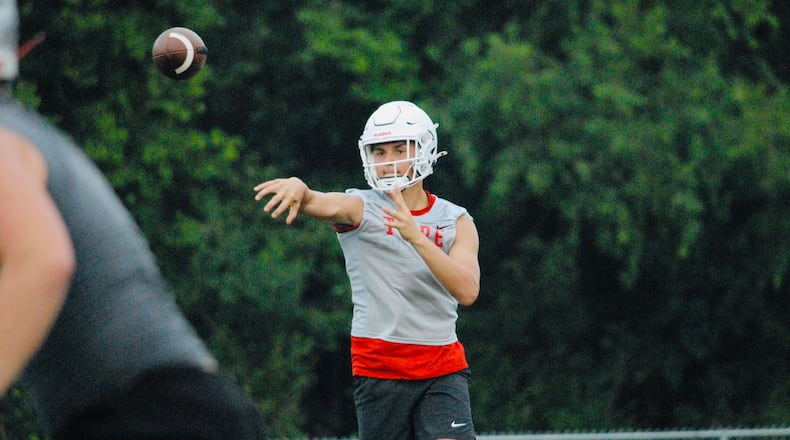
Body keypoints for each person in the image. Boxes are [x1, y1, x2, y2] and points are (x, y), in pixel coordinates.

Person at [0, 2, 266, 438]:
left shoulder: (3, 137)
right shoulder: (22, 133)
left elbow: (42, 262)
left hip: (151, 417)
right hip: (170, 413)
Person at [254, 100, 480, 439]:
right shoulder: (361, 208)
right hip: (380, 367)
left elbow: (467, 291)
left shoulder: (456, 220)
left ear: (425, 149)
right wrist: (301, 189)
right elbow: (320, 201)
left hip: (442, 367)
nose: (388, 162)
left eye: (398, 149)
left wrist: (416, 237)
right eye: (379, 152)